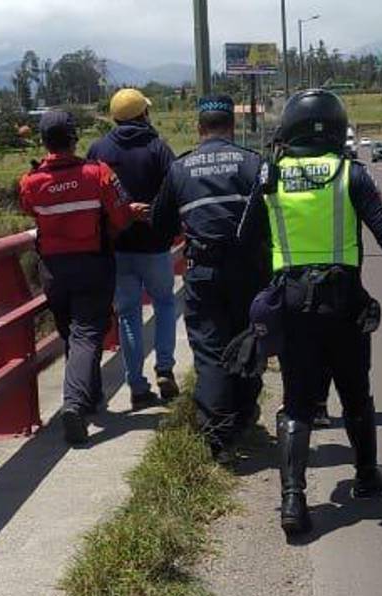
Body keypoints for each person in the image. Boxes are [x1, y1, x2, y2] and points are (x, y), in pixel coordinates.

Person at [239, 90, 382, 536]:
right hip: (344, 301)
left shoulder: (270, 175)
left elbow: (245, 238)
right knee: (355, 391)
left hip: (292, 303)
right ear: (336, 128)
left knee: (296, 400)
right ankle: (367, 475)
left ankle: (293, 500)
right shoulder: (350, 174)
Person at [152, 94, 269, 460]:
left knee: (211, 349)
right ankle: (244, 415)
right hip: (250, 270)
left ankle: (219, 438)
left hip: (202, 271)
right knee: (248, 341)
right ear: (231, 128)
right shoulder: (254, 163)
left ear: (200, 129)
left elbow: (161, 226)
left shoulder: (180, 169)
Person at [19, 110, 144, 445]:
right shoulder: (97, 173)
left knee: (72, 334)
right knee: (87, 335)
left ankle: (90, 398)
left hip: (53, 272)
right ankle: (74, 405)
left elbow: (29, 209)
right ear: (74, 139)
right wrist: (125, 215)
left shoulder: (30, 182)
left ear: (44, 142)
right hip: (93, 265)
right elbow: (120, 214)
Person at [88, 88, 180, 407]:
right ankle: (165, 368)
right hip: (154, 245)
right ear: (144, 114)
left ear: (114, 117)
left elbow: (92, 194)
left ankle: (137, 386)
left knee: (128, 314)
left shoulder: (98, 148)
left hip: (118, 247)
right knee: (165, 304)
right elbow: (176, 188)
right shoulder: (157, 147)